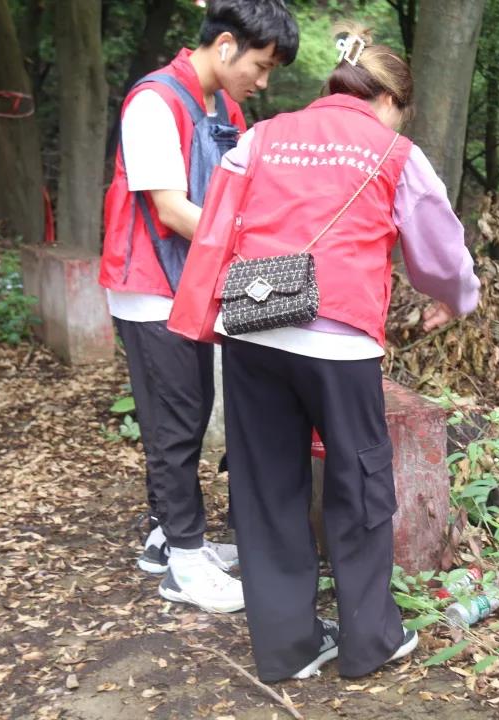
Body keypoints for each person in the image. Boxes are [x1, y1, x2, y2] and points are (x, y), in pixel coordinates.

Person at [170, 24, 481, 681]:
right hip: (338, 338)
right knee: (359, 483)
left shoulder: (261, 136)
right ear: (391, 100)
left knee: (266, 486)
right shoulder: (394, 151)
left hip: (252, 326)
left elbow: (219, 223)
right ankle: (370, 640)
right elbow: (440, 249)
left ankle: (289, 647)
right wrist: (455, 298)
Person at [98, 0, 299, 613]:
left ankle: (168, 538)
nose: (262, 82)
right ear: (227, 45)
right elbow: (170, 208)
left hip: (195, 279)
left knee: (189, 410)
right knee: (176, 420)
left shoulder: (225, 107)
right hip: (151, 284)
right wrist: (252, 247)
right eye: (261, 66)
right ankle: (184, 562)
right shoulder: (154, 102)